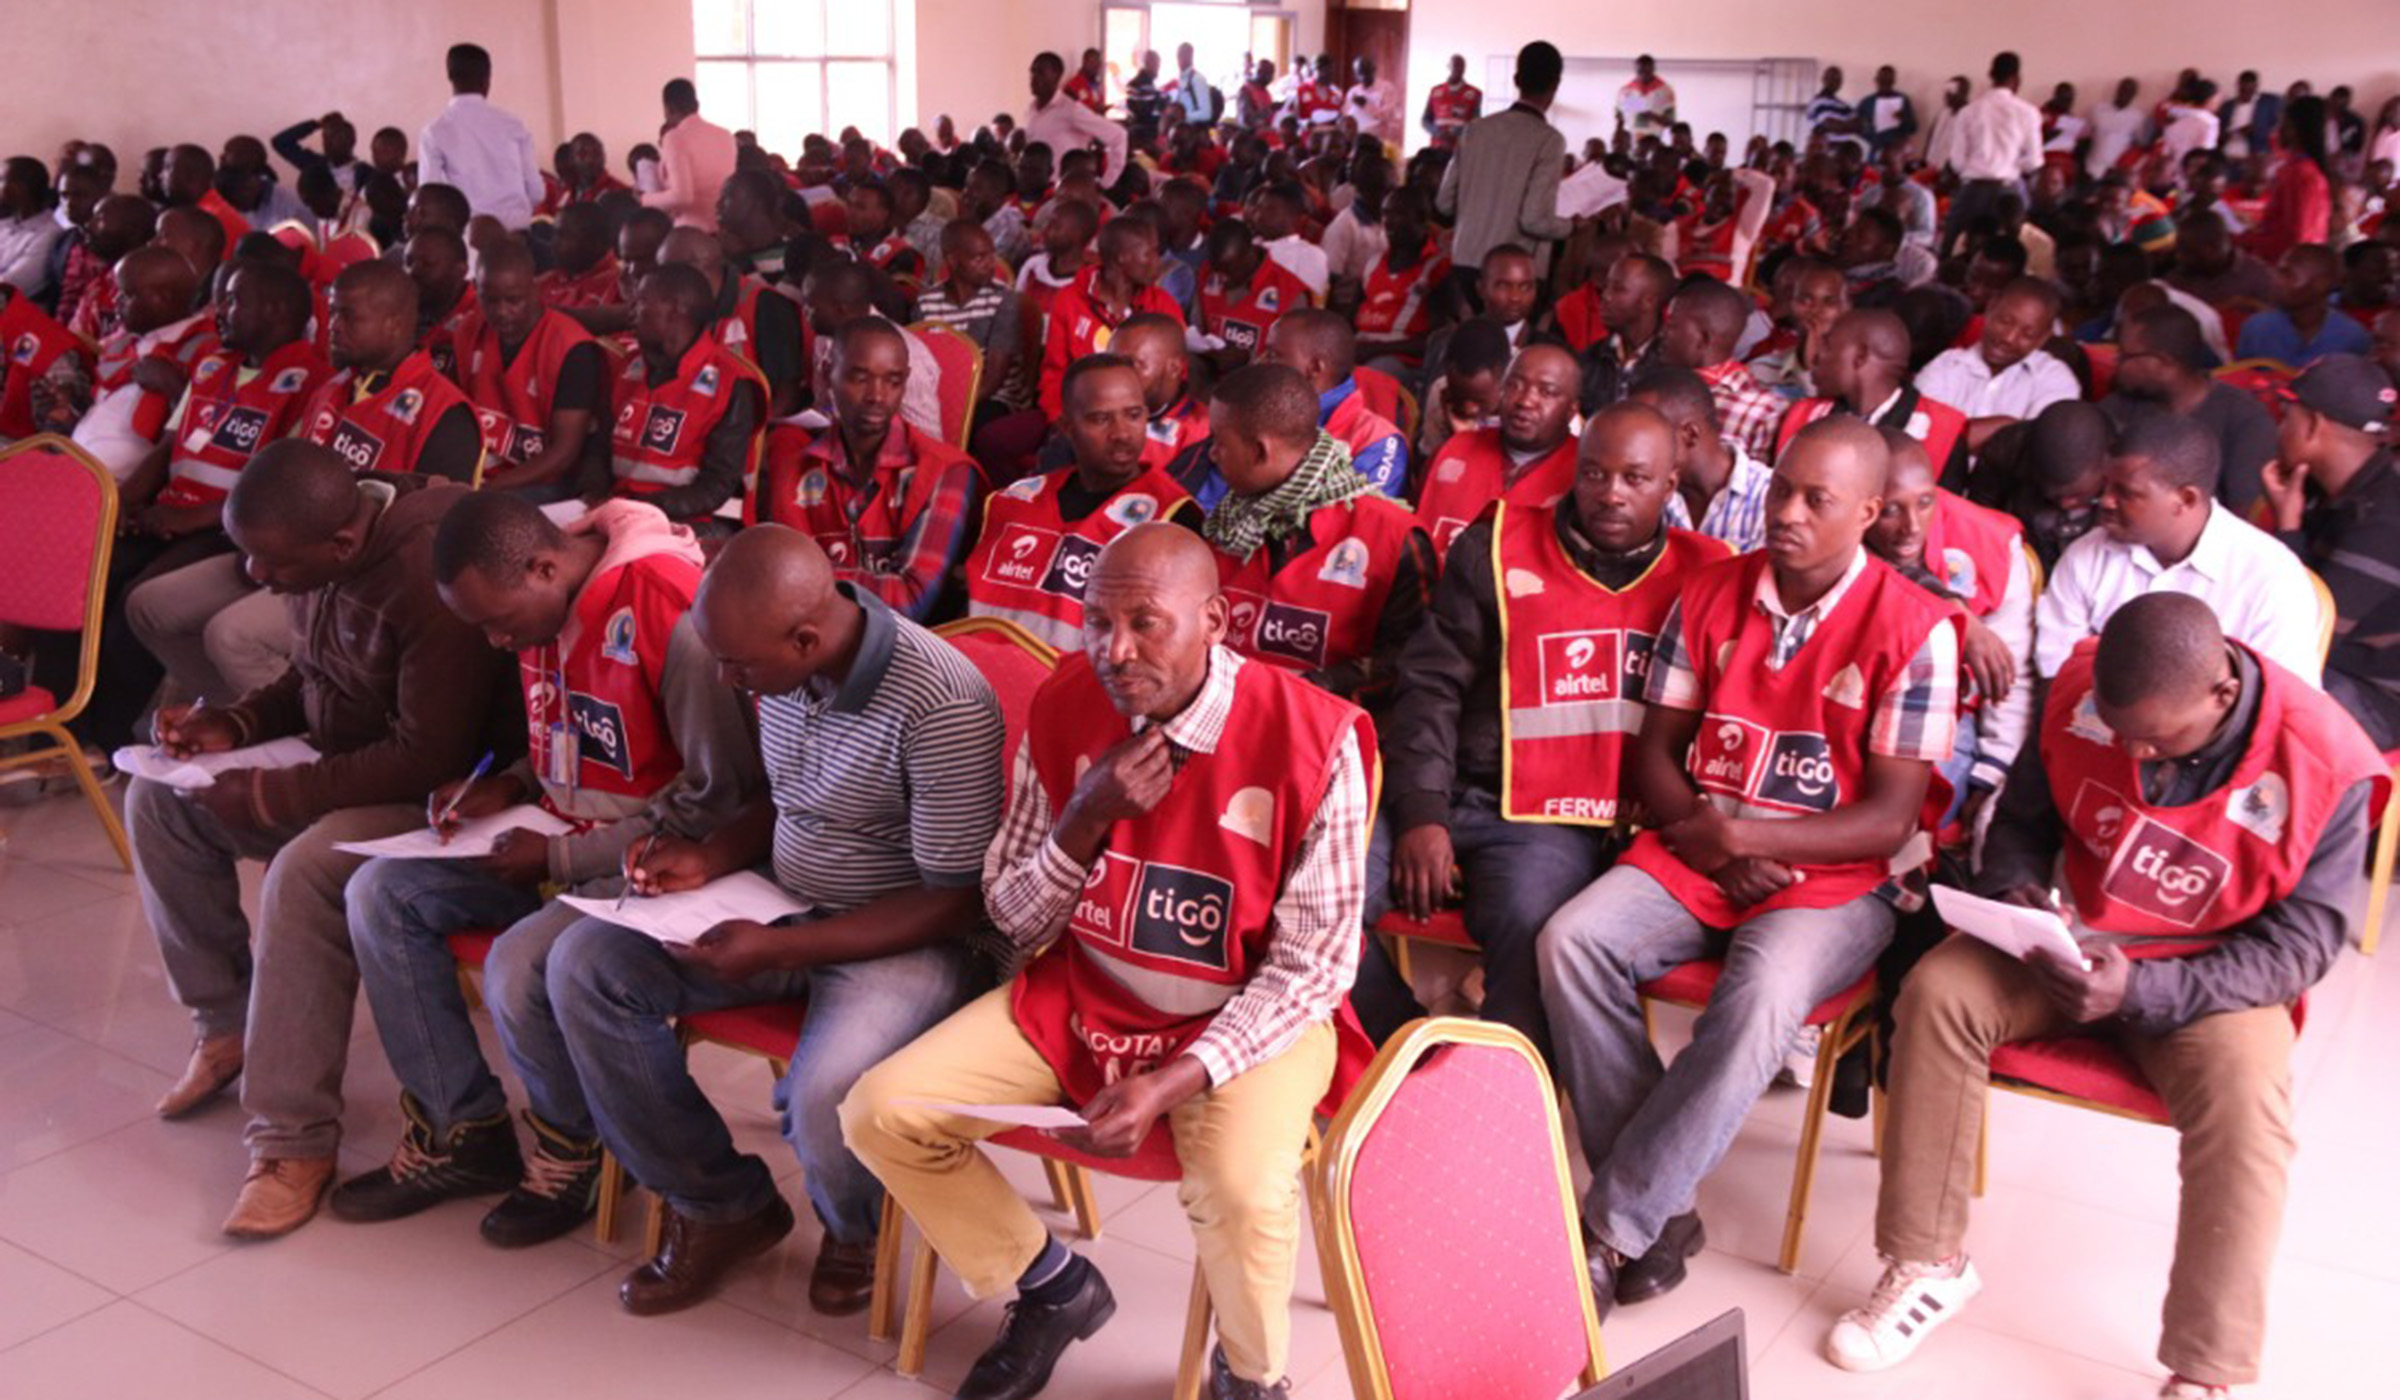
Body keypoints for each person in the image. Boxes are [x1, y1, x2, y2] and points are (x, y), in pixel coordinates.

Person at [844, 520, 1372, 1400]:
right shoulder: (1064, 705)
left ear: (1215, 621)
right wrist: (1082, 821)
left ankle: (1250, 1377)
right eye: (1095, 621)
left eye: (1144, 623)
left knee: (1240, 1192)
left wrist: (1172, 1083)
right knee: (880, 1111)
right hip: (1086, 996)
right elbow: (1012, 913)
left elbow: (1310, 971)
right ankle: (1051, 1287)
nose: (1114, 650)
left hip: (1244, 1022)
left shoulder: (1316, 736)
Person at [1826, 593, 2383, 1400]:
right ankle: (1926, 1264)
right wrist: (2016, 893)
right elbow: (2020, 821)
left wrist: (2147, 990)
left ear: (2221, 693)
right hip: (2074, 941)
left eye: (2155, 738)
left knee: (2248, 1108)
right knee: (1940, 990)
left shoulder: (2326, 758)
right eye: (2120, 731)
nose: (2134, 751)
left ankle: (2205, 1367)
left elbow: (2299, 950)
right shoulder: (2083, 693)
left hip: (2214, 977)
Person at [493, 524, 1002, 1317]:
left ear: (805, 637)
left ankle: (855, 1228)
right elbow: (789, 797)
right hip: (781, 897)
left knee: (824, 1089)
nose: (727, 679)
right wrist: (711, 857)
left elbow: (953, 897)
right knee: (583, 967)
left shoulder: (941, 699)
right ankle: (721, 1206)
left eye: (737, 665)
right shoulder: (781, 668)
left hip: (906, 934)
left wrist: (780, 947)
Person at [1538, 416, 1961, 1318]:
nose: (1788, 513)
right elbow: (1657, 752)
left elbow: (1889, 817)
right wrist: (1708, 832)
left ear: (1870, 512)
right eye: (1780, 491)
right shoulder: (1712, 590)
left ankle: (1615, 1227)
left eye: (1819, 500)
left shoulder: (1917, 629)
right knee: (1572, 940)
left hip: (1837, 880)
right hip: (1703, 842)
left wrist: (1749, 842)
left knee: (1763, 995)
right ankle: (1664, 1206)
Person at [331, 489, 759, 1239]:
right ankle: (461, 1132)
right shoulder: (541, 605)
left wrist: (561, 854)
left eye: (498, 622)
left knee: (519, 964)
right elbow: (569, 739)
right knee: (379, 894)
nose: (498, 643)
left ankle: (574, 1151)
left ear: (542, 566)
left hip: (651, 863)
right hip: (556, 837)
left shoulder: (668, 609)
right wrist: (506, 787)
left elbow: (719, 797)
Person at [127, 441, 517, 1237]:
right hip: (350, 765)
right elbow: (313, 679)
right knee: (157, 802)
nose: (257, 579)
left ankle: (292, 1141)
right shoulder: (325, 548)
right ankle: (226, 1027)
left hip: (448, 799)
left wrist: (271, 789)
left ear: (340, 544)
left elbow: (427, 756)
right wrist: (231, 723)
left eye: (270, 565)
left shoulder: (421, 573)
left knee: (305, 874)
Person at [1360, 403, 1731, 1048]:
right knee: (1322, 902)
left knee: (1530, 929)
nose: (1610, 494)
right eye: (1594, 474)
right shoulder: (1496, 543)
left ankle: (1508, 1119)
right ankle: (1408, 1062)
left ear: (1671, 484)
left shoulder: (1708, 573)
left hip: (1558, 820)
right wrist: (1422, 812)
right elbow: (1430, 686)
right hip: (1447, 784)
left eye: (1635, 479)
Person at [119, 263, 332, 715]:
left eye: (234, 301)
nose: (220, 312)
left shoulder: (309, 379)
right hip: (168, 512)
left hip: (228, 527)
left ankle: (108, 734)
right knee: (91, 569)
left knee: (139, 592)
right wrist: (120, 500)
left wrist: (193, 519)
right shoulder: (214, 362)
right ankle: (59, 722)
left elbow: (283, 484)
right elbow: (171, 444)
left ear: (274, 310)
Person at [1204, 363, 1431, 708]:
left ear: (1260, 451)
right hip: (1220, 726)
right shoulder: (1221, 526)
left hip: (1333, 736)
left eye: (1220, 442)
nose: (1212, 454)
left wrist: (1302, 690)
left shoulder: (1394, 537)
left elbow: (1413, 660)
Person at [2038, 414, 2320, 685]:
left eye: (2126, 492)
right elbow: (2059, 673)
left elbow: (2281, 700)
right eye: (2106, 486)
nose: (2106, 501)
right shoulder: (2086, 555)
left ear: (2185, 499)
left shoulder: (2271, 577)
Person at [966, 353, 1202, 649]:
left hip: (1089, 691)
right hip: (979, 678)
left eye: (1133, 414)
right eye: (1100, 419)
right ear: (1066, 427)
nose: (1121, 433)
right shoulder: (1011, 502)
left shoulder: (1175, 518)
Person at [752, 317, 977, 620]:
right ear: (828, 372)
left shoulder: (944, 471)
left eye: (893, 381)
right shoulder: (796, 467)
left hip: (907, 648)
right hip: (808, 631)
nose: (877, 396)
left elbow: (910, 601)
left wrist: (799, 578)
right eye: (860, 378)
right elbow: (776, 574)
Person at [1865, 431, 2036, 813]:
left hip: (1950, 720)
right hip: (1850, 711)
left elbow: (2011, 674)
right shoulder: (1836, 525)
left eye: (1925, 502)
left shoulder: (1989, 540)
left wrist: (1992, 771)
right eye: (1891, 510)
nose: (1911, 526)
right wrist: (1956, 616)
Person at [2259, 355, 2400, 745]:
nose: (2279, 427)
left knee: (2249, 695)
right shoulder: (2345, 491)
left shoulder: (2384, 518)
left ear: (2313, 427)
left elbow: (2301, 635)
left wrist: (2288, 528)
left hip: (2382, 700)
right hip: (2343, 672)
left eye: (2287, 416)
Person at [607, 262, 764, 526]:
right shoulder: (628, 367)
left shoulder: (731, 381)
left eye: (642, 301)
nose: (631, 310)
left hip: (696, 521)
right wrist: (594, 493)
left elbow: (716, 486)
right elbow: (597, 449)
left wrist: (645, 509)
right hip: (623, 511)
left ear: (676, 309)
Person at [294, 260, 480, 480]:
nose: (334, 325)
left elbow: (436, 512)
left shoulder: (444, 413)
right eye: (333, 312)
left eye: (349, 316)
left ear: (396, 324)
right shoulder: (333, 386)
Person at [452, 241, 608, 498]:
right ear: (476, 291)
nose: (502, 312)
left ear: (536, 290)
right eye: (490, 300)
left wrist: (489, 490)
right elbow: (458, 419)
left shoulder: (571, 348)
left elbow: (564, 453)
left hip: (542, 482)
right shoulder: (468, 331)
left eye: (514, 300)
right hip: (480, 472)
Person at [2103, 304, 2280, 514]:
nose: (2117, 364)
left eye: (2125, 356)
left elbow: (2245, 511)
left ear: (2163, 363)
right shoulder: (2116, 408)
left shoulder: (2244, 418)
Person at [1417, 344, 1583, 559]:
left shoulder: (1583, 473)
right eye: (1515, 385)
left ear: (1572, 410)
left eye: (1546, 392)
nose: (1525, 401)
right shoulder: (1454, 449)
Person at [64, 245, 213, 482]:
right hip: (73, 462)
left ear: (164, 298)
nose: (115, 301)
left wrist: (176, 389)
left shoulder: (204, 348)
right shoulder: (125, 342)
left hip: (119, 485)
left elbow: (205, 428)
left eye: (127, 294)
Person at [1779, 309, 1969, 485]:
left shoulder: (1943, 433)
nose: (1816, 356)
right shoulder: (1803, 415)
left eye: (1827, 345)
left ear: (1860, 356)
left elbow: (1944, 516)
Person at [1437, 42, 1573, 281]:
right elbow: (1534, 220)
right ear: (1557, 84)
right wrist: (1571, 227)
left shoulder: (1475, 130)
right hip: (1510, 275)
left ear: (1516, 80)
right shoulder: (1549, 140)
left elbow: (1444, 202)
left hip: (1463, 263)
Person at [1914, 275, 2080, 451]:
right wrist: (2007, 426)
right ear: (1990, 308)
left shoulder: (2056, 380)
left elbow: (2039, 453)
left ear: (2042, 339)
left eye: (2027, 335)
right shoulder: (1945, 366)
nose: (2009, 338)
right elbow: (1919, 440)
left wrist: (1953, 435)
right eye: (2005, 321)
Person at [1258, 308, 1407, 496]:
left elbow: (1366, 519)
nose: (1260, 362)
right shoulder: (1257, 415)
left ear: (1314, 368)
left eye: (1273, 355)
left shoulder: (1376, 440)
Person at [661, 227, 805, 418]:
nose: (661, 282)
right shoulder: (677, 309)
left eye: (667, 273)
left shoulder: (765, 305)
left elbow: (787, 394)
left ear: (698, 267)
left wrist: (751, 435)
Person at [1628, 367, 1774, 553]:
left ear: (1689, 435)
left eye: (1646, 433)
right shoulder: (1645, 491)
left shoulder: (1768, 496)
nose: (1634, 446)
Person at [415, 44, 544, 230]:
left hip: (468, 240)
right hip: (516, 237)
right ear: (487, 79)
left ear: (449, 77)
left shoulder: (435, 131)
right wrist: (512, 214)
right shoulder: (513, 125)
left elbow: (430, 198)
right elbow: (536, 191)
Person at [1658, 277, 1784, 463]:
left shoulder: (1763, 411)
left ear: (1703, 338)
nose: (1662, 334)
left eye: (1672, 326)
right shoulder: (1655, 387)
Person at [917, 219, 1022, 420]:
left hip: (996, 397)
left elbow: (994, 378)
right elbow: (923, 366)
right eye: (980, 258)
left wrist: (954, 411)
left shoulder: (1003, 299)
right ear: (953, 261)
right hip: (944, 394)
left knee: (978, 422)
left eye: (992, 254)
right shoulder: (926, 303)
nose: (991, 264)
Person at [1941, 52, 2043, 259]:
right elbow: (2034, 162)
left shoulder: (1969, 111)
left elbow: (1958, 162)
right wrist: (2012, 164)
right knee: (2014, 250)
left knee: (1952, 247)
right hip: (2009, 190)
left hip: (1973, 190)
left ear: (1990, 75)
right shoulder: (2028, 112)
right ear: (2016, 79)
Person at [1197, 216, 1317, 367]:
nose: (1221, 279)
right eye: (1217, 270)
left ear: (1250, 254)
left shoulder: (1289, 292)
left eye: (1229, 270)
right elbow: (1198, 332)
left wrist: (1248, 359)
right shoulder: (1206, 274)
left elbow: (1294, 363)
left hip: (1263, 383)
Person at [2237, 243, 2372, 364]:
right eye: (2277, 272)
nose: (2276, 281)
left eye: (2287, 275)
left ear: (2321, 284)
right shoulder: (2256, 329)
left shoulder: (2352, 337)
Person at [1577, 252, 1674, 413]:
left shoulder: (1672, 365)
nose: (1605, 296)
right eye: (1606, 286)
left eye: (1618, 289)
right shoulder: (1590, 359)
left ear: (1649, 301)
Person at [2243, 96, 2332, 263]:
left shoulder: (2302, 175)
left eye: (2282, 124)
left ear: (2294, 130)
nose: (2276, 131)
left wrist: (2244, 239)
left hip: (2288, 267)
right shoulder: (2294, 168)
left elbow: (2297, 239)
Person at [1024, 52, 1127, 187]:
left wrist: (1106, 184)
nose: (1034, 78)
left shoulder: (1070, 110)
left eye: (1041, 73)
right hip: (1037, 190)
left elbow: (1118, 135)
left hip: (1065, 191)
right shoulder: (1031, 110)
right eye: (1032, 72)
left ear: (1057, 76)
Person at [1243, 182, 1330, 304]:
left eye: (1270, 209)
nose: (1258, 215)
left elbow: (1307, 303)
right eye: (1258, 208)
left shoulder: (1310, 255)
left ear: (1292, 216)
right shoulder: (1247, 246)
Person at [0, 155, 65, 298]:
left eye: (1, 180)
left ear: (20, 188)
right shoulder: (5, 224)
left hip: (14, 313)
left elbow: (9, 286)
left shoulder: (50, 234)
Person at [539, 203, 623, 312]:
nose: (554, 243)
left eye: (564, 236)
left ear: (595, 243)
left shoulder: (616, 288)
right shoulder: (549, 280)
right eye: (555, 234)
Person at [272, 112, 373, 200]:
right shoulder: (315, 166)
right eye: (328, 138)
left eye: (339, 137)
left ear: (352, 141)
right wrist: (317, 124)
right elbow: (281, 142)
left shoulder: (366, 173)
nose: (333, 143)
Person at [1423, 54, 1483, 151]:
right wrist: (1438, 133)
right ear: (1448, 67)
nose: (1458, 69)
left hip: (1462, 147)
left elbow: (1475, 122)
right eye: (1455, 65)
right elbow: (1425, 120)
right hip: (1437, 146)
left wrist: (1454, 133)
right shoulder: (1436, 91)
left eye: (1461, 66)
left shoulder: (1474, 93)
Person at [1344, 57, 1403, 148]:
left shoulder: (1386, 89)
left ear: (1374, 70)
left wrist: (1366, 105)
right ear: (1355, 74)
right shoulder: (1353, 91)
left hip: (1379, 141)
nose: (1364, 76)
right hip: (1357, 140)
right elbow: (1346, 115)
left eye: (1367, 72)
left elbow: (1388, 114)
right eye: (1360, 73)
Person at [1860, 65, 1918, 156]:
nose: (1885, 84)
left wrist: (1903, 118)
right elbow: (1855, 126)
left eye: (1888, 81)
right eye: (1882, 81)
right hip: (1875, 149)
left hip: (1897, 152)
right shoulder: (1867, 102)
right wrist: (1869, 132)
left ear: (1893, 81)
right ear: (1876, 80)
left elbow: (1913, 128)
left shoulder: (1902, 100)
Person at [1617, 55, 1676, 141]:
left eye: (1647, 72)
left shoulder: (1665, 91)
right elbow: (1619, 117)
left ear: (1653, 69)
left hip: (1655, 141)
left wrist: (1650, 115)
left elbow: (1670, 121)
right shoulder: (1626, 91)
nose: (1643, 75)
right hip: (1632, 143)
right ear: (1635, 70)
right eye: (1640, 72)